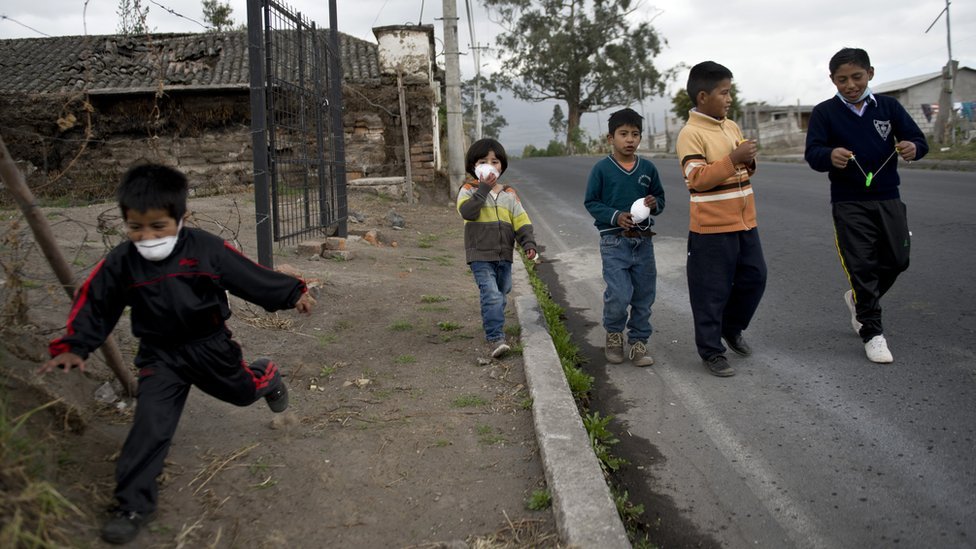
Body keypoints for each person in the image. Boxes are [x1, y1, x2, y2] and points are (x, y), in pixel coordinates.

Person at [38, 164, 316, 545]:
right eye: (136, 227)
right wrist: (73, 345)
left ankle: (266, 376)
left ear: (180, 218)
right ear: (125, 222)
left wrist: (292, 293)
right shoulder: (122, 262)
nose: (147, 236)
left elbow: (249, 276)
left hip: (211, 348)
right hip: (159, 356)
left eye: (158, 226)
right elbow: (95, 303)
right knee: (151, 425)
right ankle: (132, 505)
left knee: (240, 393)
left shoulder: (205, 249)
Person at [804, 47, 928, 364]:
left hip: (888, 198)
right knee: (861, 266)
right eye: (841, 80)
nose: (850, 85)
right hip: (849, 202)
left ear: (870, 73)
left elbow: (918, 140)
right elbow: (813, 154)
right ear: (832, 80)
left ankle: (859, 300)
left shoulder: (888, 107)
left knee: (899, 259)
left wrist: (914, 147)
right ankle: (872, 333)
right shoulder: (824, 113)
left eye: (856, 77)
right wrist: (829, 156)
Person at [676, 61, 766, 377]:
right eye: (724, 93)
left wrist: (748, 160)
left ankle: (731, 327)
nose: (729, 99)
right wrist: (733, 159)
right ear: (703, 96)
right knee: (710, 291)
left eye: (730, 92)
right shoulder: (690, 134)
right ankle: (711, 351)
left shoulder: (731, 126)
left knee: (755, 278)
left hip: (745, 222)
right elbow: (696, 179)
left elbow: (742, 169)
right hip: (711, 229)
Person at [584, 107, 666, 367]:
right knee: (619, 294)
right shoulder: (602, 169)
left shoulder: (648, 168)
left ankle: (639, 342)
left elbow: (660, 199)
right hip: (613, 242)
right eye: (623, 134)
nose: (630, 139)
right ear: (611, 138)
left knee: (644, 294)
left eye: (635, 134)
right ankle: (614, 334)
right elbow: (591, 202)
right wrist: (615, 216)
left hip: (643, 241)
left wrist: (654, 204)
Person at [456, 138, 538, 358]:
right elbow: (468, 212)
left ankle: (494, 322)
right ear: (474, 166)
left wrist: (528, 242)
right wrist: (482, 189)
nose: (490, 165)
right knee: (491, 294)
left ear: (502, 165)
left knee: (502, 293)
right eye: (483, 161)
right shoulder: (468, 190)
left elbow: (521, 220)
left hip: (505, 254)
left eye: (495, 161)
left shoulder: (509, 193)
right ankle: (495, 337)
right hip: (480, 255)